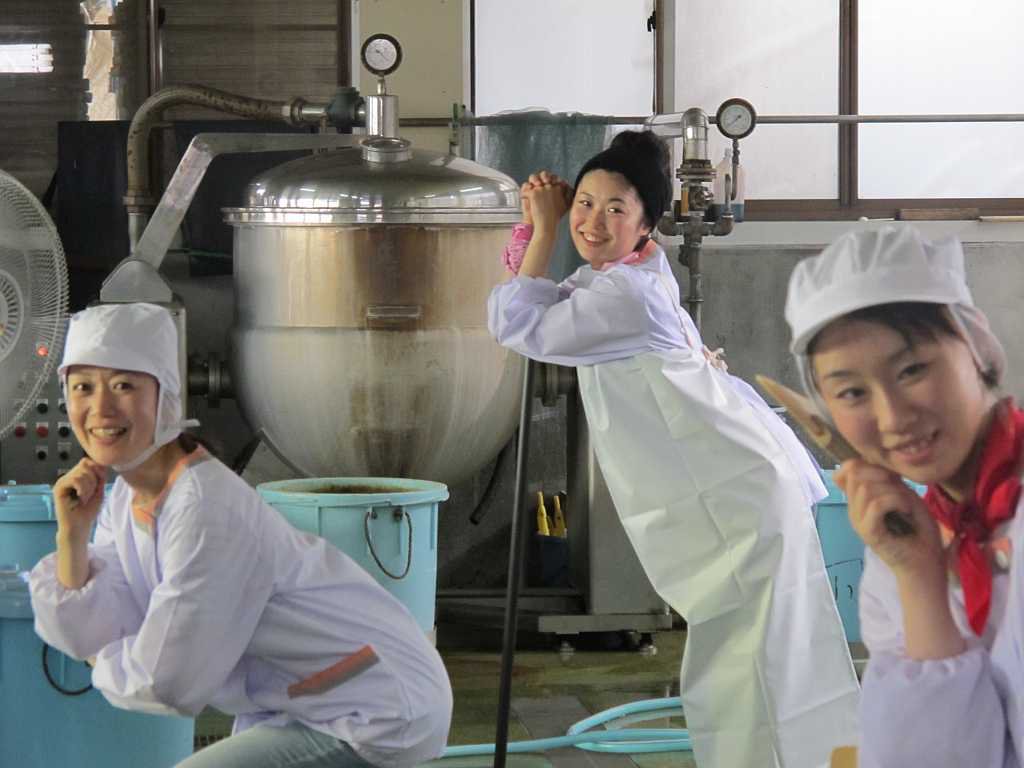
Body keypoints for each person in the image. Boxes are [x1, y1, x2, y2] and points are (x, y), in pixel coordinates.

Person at [487, 130, 860, 768]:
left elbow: (517, 323)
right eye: (584, 203)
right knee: (778, 654)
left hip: (735, 501)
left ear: (646, 224)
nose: (592, 221)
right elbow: (543, 299)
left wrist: (543, 229)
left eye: (615, 209)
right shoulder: (632, 273)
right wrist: (536, 228)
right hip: (742, 485)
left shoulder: (625, 295)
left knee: (747, 665)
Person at [28, 303, 453, 768]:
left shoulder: (205, 509)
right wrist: (73, 536)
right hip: (305, 702)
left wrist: (100, 658)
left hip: (375, 705)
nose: (100, 408)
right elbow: (102, 623)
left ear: (165, 395)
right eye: (82, 387)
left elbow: (167, 679)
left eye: (124, 385)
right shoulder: (127, 499)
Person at [785, 225, 1021, 768]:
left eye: (912, 370)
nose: (893, 418)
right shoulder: (900, 556)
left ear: (977, 347)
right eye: (852, 392)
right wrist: (920, 579)